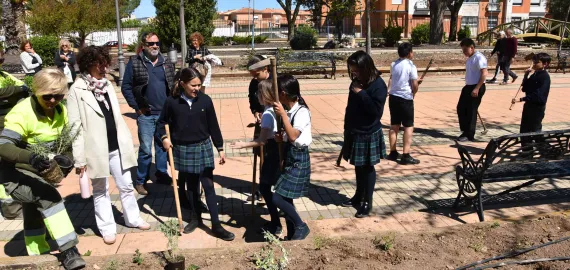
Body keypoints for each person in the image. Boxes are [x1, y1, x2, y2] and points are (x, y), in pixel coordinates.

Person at [0, 69, 85, 269]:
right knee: (50, 197)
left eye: (58, 96)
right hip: (14, 174)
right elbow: (3, 145)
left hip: (38, 173)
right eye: (47, 96)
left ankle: (36, 253)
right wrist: (30, 157)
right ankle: (69, 250)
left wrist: (68, 159)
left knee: (33, 209)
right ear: (36, 92)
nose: (53, 100)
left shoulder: (60, 111)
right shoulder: (22, 112)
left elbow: (68, 141)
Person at [67, 46, 151, 245]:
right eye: (100, 65)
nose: (104, 68)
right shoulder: (77, 90)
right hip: (95, 150)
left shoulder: (106, 86)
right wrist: (79, 159)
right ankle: (107, 227)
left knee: (127, 185)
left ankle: (133, 218)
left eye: (105, 64)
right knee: (100, 190)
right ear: (89, 65)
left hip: (117, 147)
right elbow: (74, 127)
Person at [158, 68, 234, 241]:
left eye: (199, 85)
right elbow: (161, 123)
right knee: (191, 186)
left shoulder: (205, 101)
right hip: (183, 148)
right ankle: (195, 218)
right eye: (193, 85)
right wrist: (164, 138)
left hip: (203, 146)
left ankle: (216, 225)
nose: (196, 88)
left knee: (208, 185)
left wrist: (220, 148)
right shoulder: (172, 102)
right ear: (183, 84)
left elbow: (213, 125)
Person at [122, 32, 176, 195]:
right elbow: (126, 87)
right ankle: (141, 180)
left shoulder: (166, 63)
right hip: (146, 114)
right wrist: (137, 107)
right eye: (151, 44)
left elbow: (172, 86)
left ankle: (161, 173)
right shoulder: (135, 62)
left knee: (162, 146)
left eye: (157, 43)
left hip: (164, 114)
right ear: (144, 45)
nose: (155, 46)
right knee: (145, 149)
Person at [231, 79, 282, 236]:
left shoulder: (268, 113)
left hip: (272, 152)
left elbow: (262, 141)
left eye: (258, 92)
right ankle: (281, 220)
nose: (256, 95)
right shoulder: (274, 109)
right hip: (277, 150)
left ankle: (276, 223)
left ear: (264, 94)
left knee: (266, 188)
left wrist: (242, 145)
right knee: (276, 188)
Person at [340, 51, 388, 218]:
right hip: (355, 131)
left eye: (357, 71)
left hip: (369, 132)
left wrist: (362, 94)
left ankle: (367, 201)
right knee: (358, 166)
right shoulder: (355, 82)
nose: (354, 74)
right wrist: (347, 129)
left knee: (367, 168)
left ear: (366, 68)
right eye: (352, 70)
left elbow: (376, 112)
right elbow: (350, 108)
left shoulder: (379, 85)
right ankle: (358, 195)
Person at [272, 75, 312, 240]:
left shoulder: (301, 111)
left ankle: (301, 225)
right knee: (286, 198)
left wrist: (283, 116)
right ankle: (293, 232)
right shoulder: (290, 111)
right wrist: (281, 138)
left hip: (299, 158)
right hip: (290, 155)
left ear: (282, 93)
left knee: (277, 197)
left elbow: (294, 135)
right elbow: (288, 136)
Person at [0, 50, 28, 219]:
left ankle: (13, 206)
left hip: (8, 127)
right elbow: (14, 89)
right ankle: (9, 209)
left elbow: (24, 88)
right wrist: (14, 90)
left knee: (8, 165)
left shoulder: (4, 75)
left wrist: (17, 89)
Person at [386, 43, 420, 165]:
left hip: (393, 97)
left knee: (394, 125)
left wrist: (388, 90)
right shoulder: (411, 66)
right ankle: (406, 154)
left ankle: (393, 152)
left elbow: (391, 78)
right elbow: (414, 84)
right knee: (408, 126)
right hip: (405, 98)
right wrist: (414, 93)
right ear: (409, 53)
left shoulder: (393, 64)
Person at [247, 55, 271, 201]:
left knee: (274, 157)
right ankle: (263, 189)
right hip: (261, 123)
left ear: (265, 69)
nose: (254, 78)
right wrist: (256, 112)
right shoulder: (253, 83)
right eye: (252, 76)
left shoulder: (276, 81)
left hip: (275, 126)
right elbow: (252, 100)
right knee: (261, 156)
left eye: (257, 75)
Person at [511, 53, 551, 134]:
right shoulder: (535, 74)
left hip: (537, 108)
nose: (534, 64)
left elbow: (538, 95)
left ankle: (541, 146)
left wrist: (521, 99)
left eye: (537, 62)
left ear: (545, 64)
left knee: (535, 130)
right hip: (529, 106)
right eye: (534, 61)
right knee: (524, 131)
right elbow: (524, 88)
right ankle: (526, 146)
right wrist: (526, 75)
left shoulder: (544, 77)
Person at [457, 38, 488, 142]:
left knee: (471, 110)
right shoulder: (470, 58)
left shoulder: (479, 57)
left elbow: (484, 73)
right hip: (468, 86)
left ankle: (469, 134)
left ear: (472, 47)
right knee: (461, 108)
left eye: (465, 50)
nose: (464, 52)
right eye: (463, 50)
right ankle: (464, 130)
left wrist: (477, 88)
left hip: (477, 86)